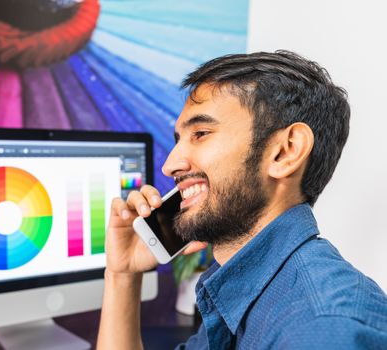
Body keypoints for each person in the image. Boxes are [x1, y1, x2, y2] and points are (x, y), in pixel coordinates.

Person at [96, 51, 387, 349]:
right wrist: (122, 275)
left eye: (201, 133)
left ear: (286, 152)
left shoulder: (323, 331)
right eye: (178, 140)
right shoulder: (241, 290)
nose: (169, 165)